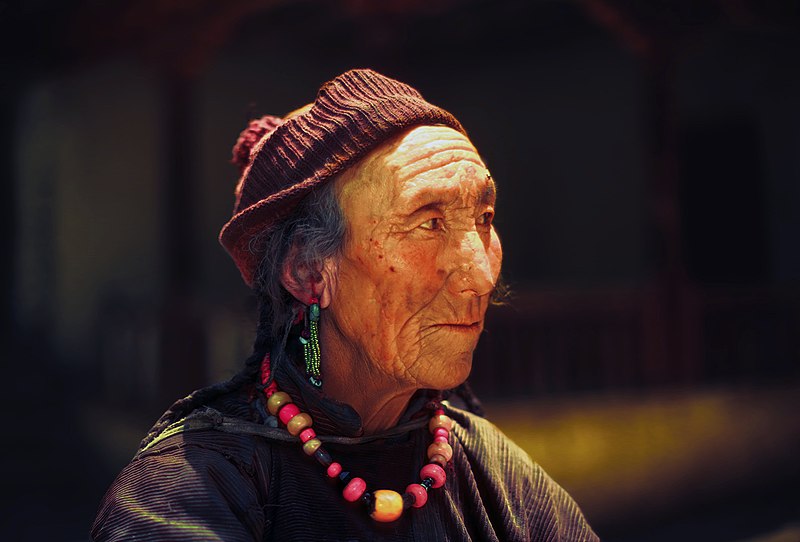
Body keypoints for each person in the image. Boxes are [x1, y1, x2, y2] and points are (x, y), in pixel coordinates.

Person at [91, 68, 599, 541]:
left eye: (484, 218)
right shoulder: (187, 494)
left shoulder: (494, 471)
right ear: (309, 273)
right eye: (429, 223)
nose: (482, 276)